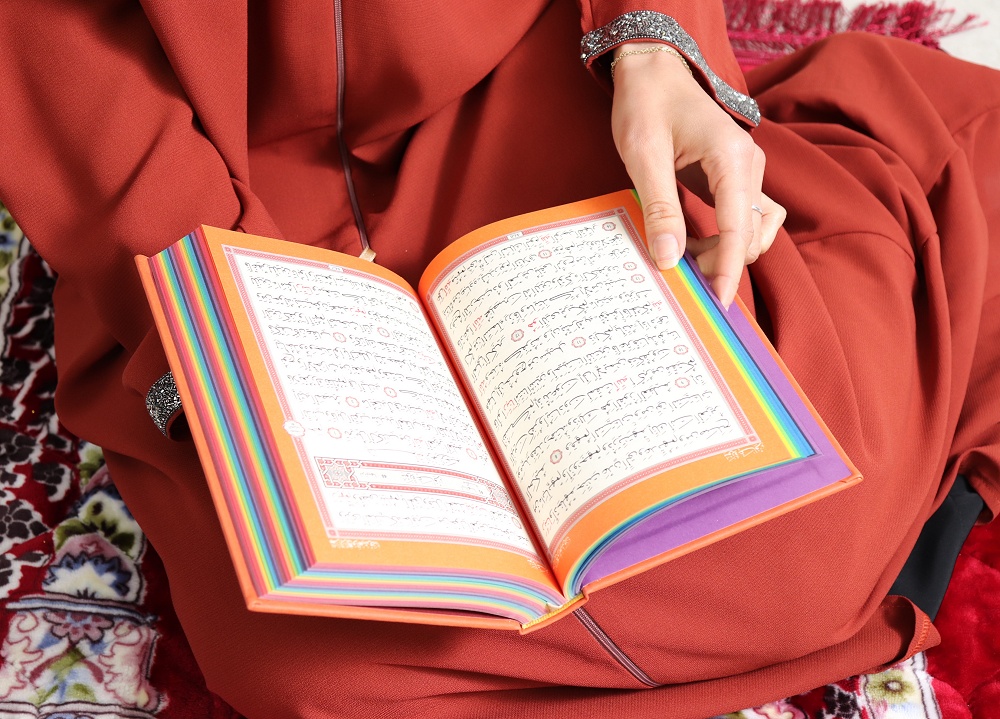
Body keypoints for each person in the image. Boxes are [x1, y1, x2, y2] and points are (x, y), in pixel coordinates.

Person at [1, 0, 998, 716]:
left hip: (534, 99)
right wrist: (212, 333)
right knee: (316, 668)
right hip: (202, 199)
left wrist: (654, 44)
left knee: (792, 539)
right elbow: (58, 63)